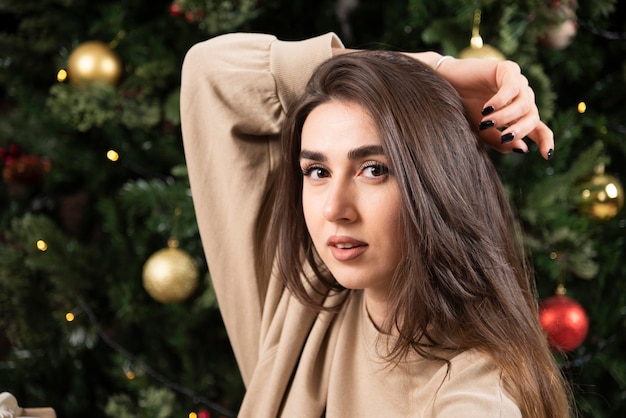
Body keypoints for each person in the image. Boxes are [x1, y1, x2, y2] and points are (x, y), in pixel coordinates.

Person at [180, 32, 571, 417]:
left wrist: (422, 92)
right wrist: (437, 72)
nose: (334, 208)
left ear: (437, 183)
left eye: (373, 170)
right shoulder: (306, 303)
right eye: (317, 171)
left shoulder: (475, 395)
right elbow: (211, 71)